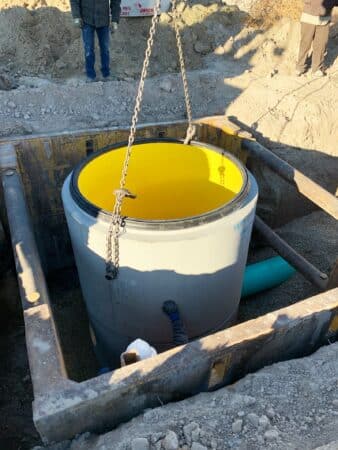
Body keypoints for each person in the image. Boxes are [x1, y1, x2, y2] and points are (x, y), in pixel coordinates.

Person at [70, 0, 121, 82]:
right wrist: (76, 16)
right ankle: (90, 75)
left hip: (103, 20)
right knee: (88, 48)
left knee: (105, 48)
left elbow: (115, 2)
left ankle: (106, 74)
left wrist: (115, 20)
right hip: (87, 20)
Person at [296, 0, 338, 77]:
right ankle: (300, 67)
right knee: (305, 44)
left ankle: (317, 68)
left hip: (325, 19)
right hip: (309, 17)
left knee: (321, 45)